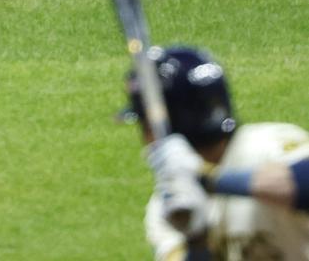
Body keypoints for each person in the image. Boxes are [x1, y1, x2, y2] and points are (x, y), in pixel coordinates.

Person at [121, 45, 309, 260]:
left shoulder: (269, 145)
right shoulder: (172, 203)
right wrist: (196, 239)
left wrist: (207, 179)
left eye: (146, 127)